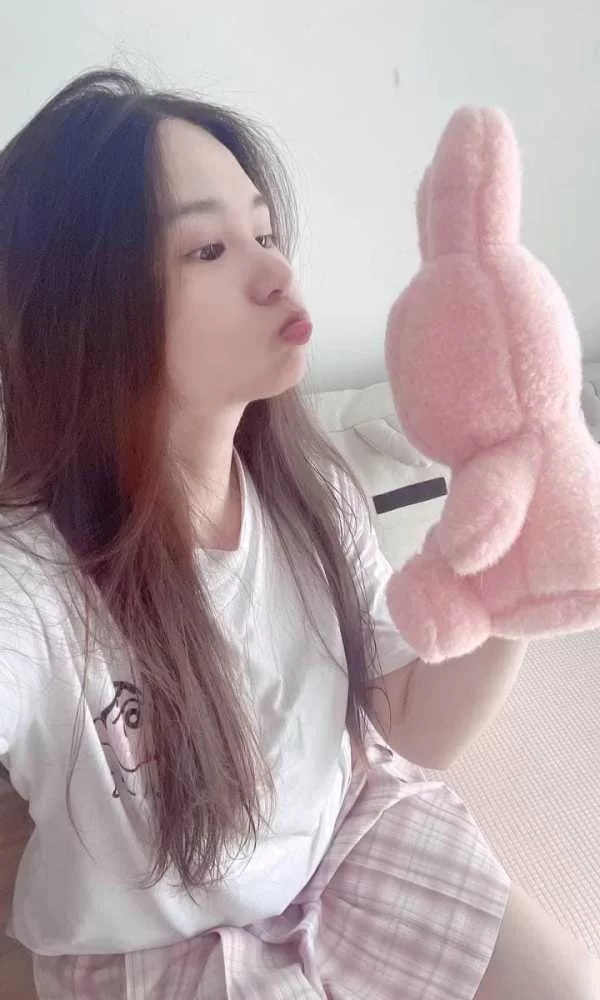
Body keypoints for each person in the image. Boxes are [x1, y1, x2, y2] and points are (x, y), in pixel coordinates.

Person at [0, 69, 597, 1000]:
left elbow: (404, 726)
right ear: (83, 312)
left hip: (344, 837)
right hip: (148, 947)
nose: (276, 272)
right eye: (208, 249)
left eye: (265, 232)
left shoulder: (313, 492)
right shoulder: (35, 581)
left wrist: (501, 593)